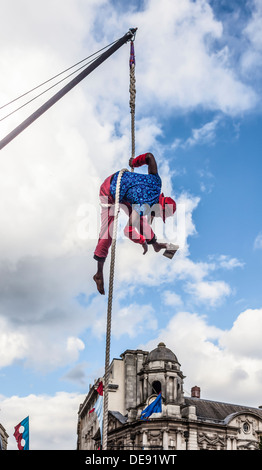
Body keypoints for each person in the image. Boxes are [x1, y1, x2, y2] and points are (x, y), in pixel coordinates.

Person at [93, 152, 177, 294]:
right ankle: (98, 273)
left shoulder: (157, 183)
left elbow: (150, 157)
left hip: (123, 190)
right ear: (159, 209)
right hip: (109, 191)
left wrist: (134, 163)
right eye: (158, 215)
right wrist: (142, 240)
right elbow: (129, 230)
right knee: (107, 233)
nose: (156, 217)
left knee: (140, 221)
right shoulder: (144, 206)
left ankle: (155, 244)